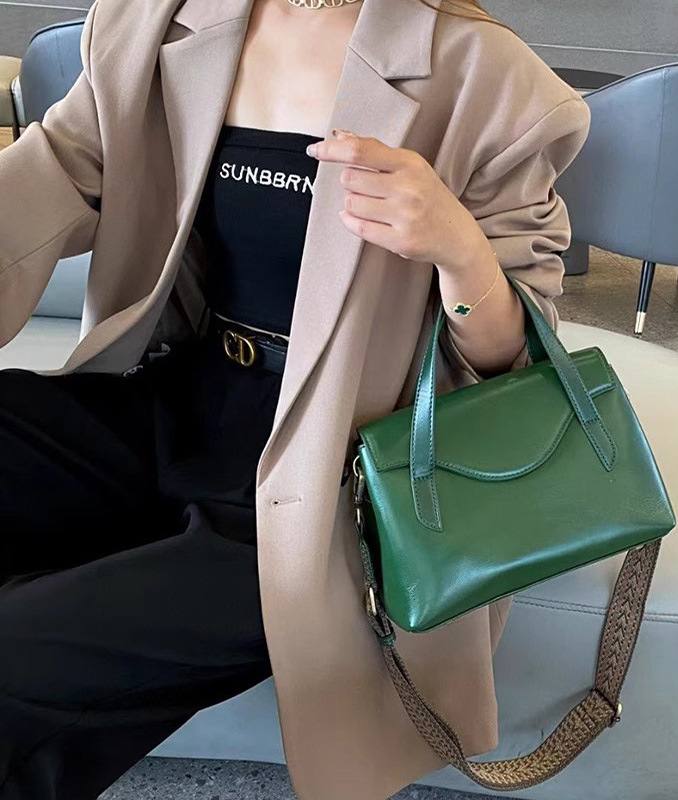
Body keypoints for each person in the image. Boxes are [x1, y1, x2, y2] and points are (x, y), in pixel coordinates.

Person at [0, 0, 591, 797]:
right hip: (181, 402)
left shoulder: (486, 75)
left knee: (21, 651)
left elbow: (515, 364)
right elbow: (56, 169)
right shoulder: (153, 21)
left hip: (340, 474)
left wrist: (459, 249)